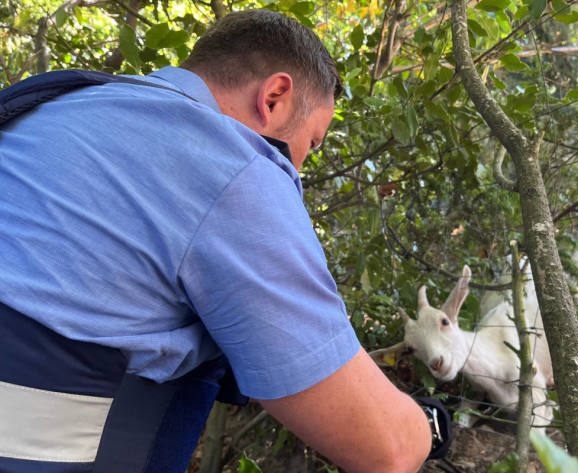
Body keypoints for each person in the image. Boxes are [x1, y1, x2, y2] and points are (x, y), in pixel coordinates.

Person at [0, 9, 443, 473]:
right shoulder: (236, 170)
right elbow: (387, 451)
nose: (298, 171)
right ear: (274, 98)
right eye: (310, 145)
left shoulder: (51, 106)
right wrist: (430, 427)